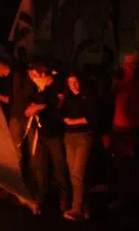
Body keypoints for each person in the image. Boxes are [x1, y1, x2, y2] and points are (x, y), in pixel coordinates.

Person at [26, 61, 69, 214]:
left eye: (34, 74)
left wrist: (38, 106)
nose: (32, 77)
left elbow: (58, 107)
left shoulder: (57, 86)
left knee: (59, 166)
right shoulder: (40, 88)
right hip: (41, 132)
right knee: (40, 166)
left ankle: (64, 199)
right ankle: (40, 198)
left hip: (55, 133)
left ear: (43, 74)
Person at [106, 52, 139, 209]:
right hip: (120, 130)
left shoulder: (138, 85)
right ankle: (124, 197)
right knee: (122, 166)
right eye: (128, 65)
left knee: (134, 166)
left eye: (133, 65)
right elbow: (111, 105)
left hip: (134, 130)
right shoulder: (120, 84)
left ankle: (132, 197)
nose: (130, 68)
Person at [60, 71, 97, 220]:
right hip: (70, 137)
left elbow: (92, 117)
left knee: (77, 173)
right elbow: (61, 115)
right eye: (70, 82)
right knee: (74, 173)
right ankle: (84, 206)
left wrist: (75, 121)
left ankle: (77, 209)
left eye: (75, 82)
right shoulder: (67, 99)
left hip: (83, 137)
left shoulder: (88, 97)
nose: (73, 85)